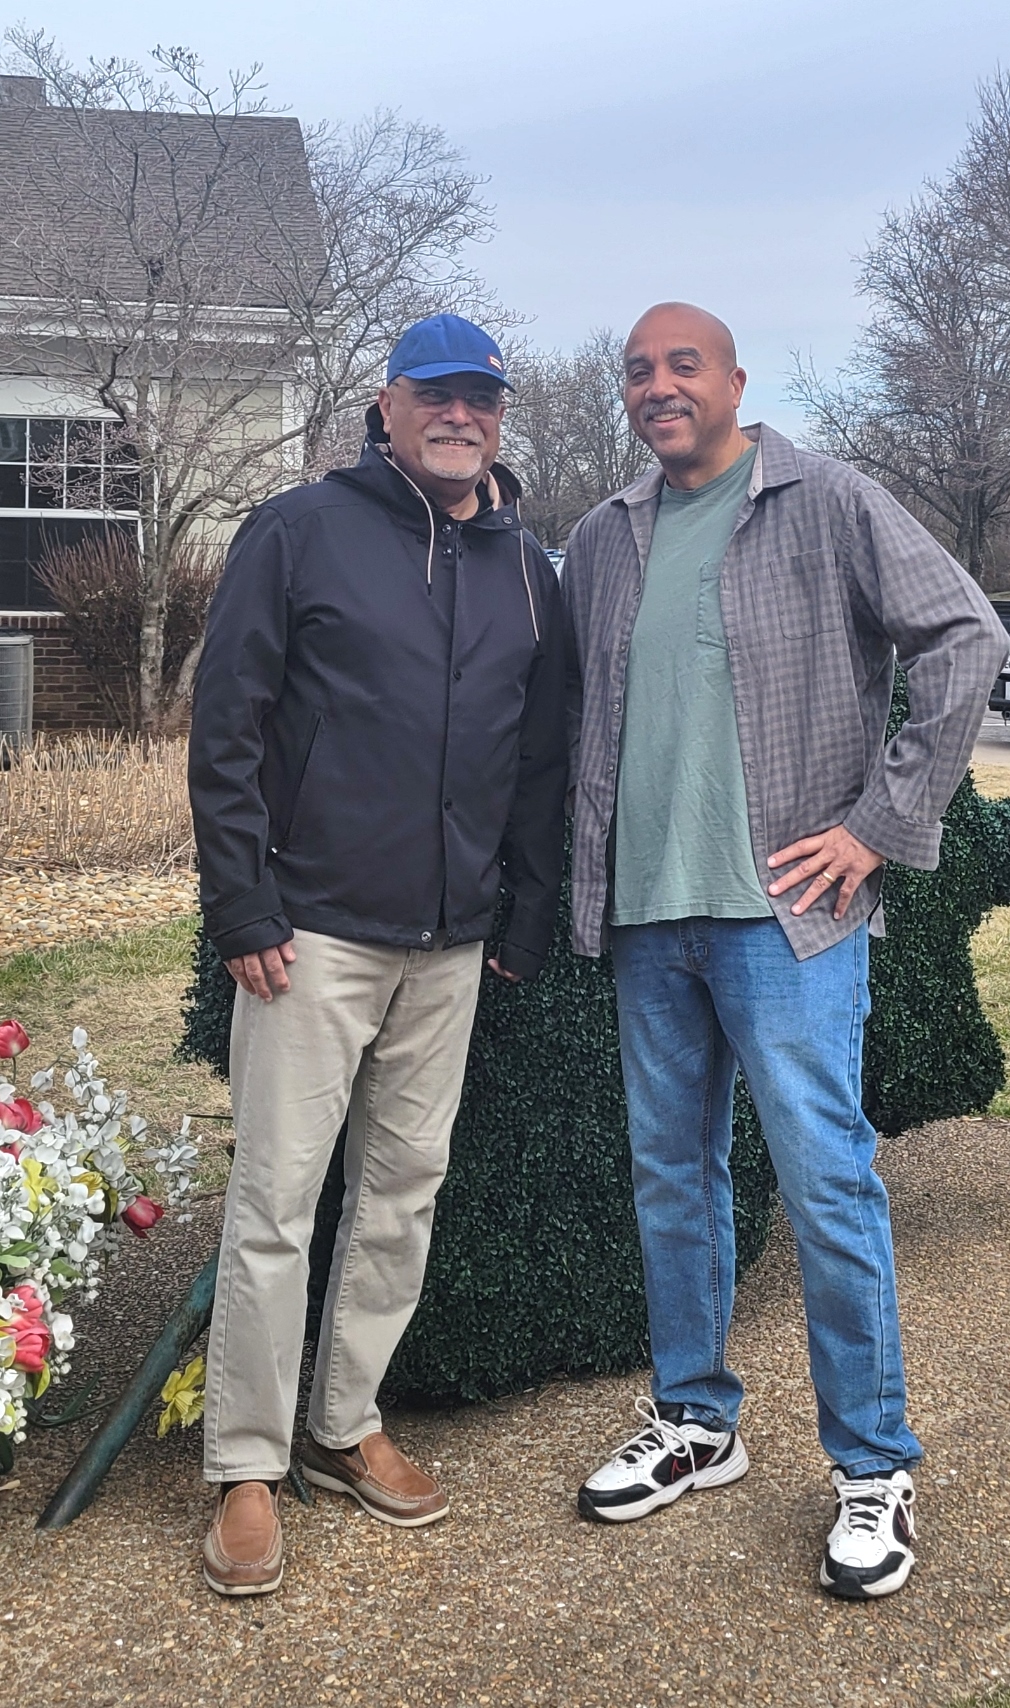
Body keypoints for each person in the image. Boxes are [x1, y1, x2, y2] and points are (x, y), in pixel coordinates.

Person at [563, 302, 1006, 1599]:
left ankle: (873, 1467)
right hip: (648, 919)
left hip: (786, 922)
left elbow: (966, 635)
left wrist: (878, 824)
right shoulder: (603, 537)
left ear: (733, 379)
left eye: (682, 364)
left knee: (825, 1185)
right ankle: (695, 1422)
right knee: (672, 1179)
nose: (658, 386)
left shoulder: (826, 500)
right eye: (637, 371)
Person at [188, 313, 568, 1597]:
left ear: (498, 419)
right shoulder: (299, 531)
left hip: (449, 943)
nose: (461, 416)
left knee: (402, 1195)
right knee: (277, 1202)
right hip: (310, 936)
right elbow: (227, 725)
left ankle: (344, 1425)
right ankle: (246, 1465)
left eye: (482, 400)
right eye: (435, 395)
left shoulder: (527, 570)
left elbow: (537, 757)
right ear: (387, 406)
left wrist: (524, 910)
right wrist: (242, 905)